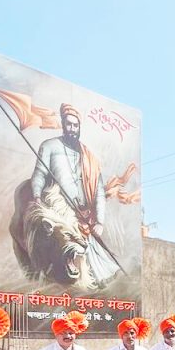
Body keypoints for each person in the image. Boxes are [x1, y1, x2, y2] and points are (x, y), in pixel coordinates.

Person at [28, 102, 119, 288]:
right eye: (69, 124)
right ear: (63, 124)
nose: (72, 129)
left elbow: (99, 193)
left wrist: (100, 221)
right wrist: (37, 197)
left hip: (85, 216)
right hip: (58, 208)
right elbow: (39, 174)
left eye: (75, 125)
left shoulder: (89, 157)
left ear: (80, 127)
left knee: (98, 264)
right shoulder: (50, 146)